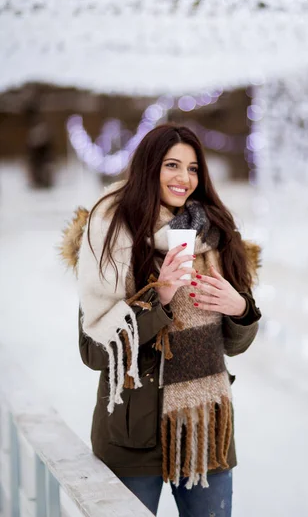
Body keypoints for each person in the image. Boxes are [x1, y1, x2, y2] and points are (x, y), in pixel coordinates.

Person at [61, 124, 262, 516]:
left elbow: (235, 345)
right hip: (133, 433)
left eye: (192, 168)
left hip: (206, 428)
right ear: (149, 167)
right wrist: (160, 299)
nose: (183, 178)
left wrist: (239, 309)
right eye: (172, 165)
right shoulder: (109, 233)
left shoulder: (219, 233)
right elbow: (93, 351)